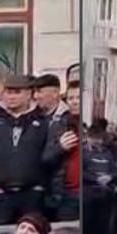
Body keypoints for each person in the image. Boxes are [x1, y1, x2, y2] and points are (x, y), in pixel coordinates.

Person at [0, 75, 50, 224]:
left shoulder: (43, 122)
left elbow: (49, 156)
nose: (11, 96)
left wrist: (40, 186)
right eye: (8, 92)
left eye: (17, 92)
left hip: (31, 195)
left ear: (29, 94)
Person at [42, 80, 82, 222]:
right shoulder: (58, 125)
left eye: (79, 98)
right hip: (66, 195)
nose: (75, 102)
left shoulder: (95, 126)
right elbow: (45, 159)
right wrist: (60, 147)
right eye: (71, 98)